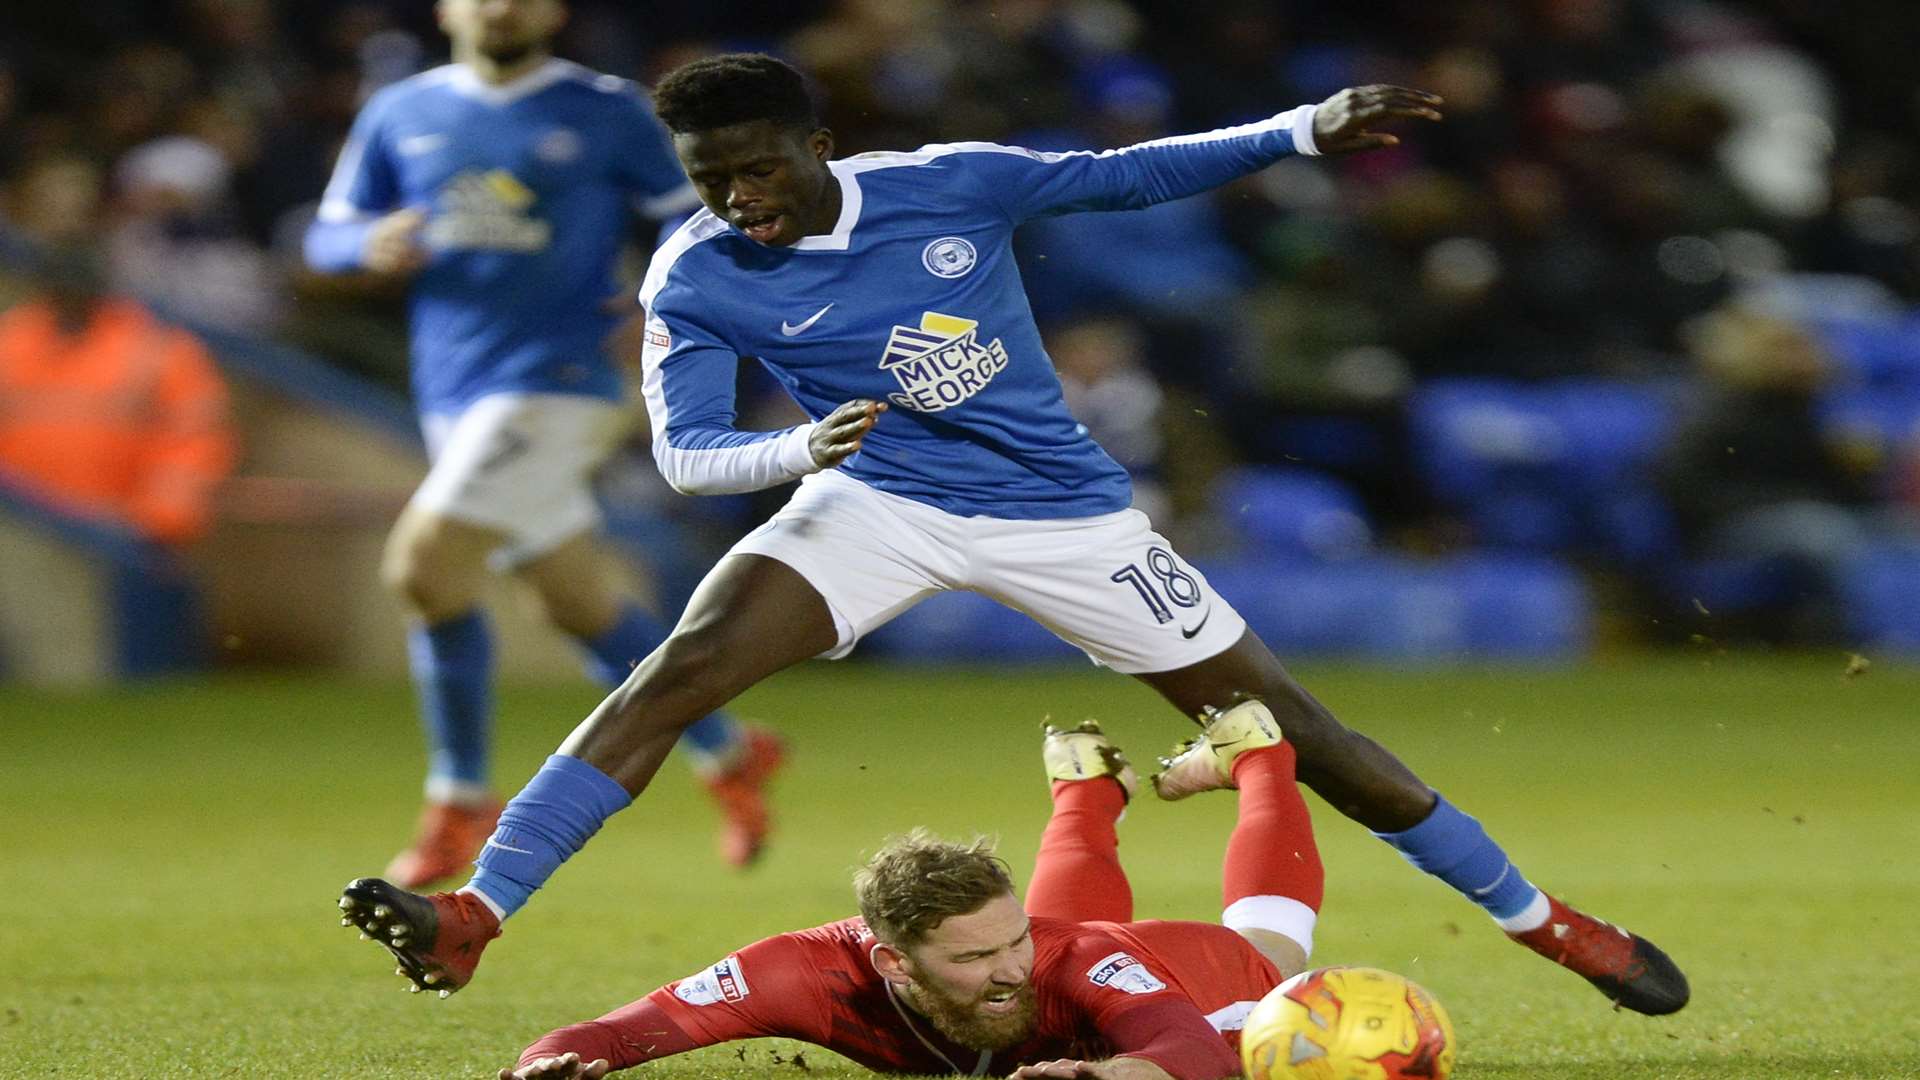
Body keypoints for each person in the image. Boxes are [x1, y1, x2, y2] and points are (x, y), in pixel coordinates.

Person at [338, 53, 1689, 1019]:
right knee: (677, 673)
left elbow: (1120, 177)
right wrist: (794, 452)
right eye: (708, 179)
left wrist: (1297, 131)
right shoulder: (695, 273)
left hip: (1070, 520)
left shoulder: (947, 186)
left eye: (755, 170)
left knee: (1305, 738)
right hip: (875, 501)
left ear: (816, 148)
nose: (736, 200)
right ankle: (475, 916)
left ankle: (1547, 923)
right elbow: (691, 456)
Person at [302, 2, 785, 887]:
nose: (502, 5)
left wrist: (657, 303)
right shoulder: (401, 111)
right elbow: (326, 234)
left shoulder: (607, 110)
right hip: (450, 388)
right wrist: (364, 241)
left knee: (422, 567)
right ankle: (730, 751)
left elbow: (708, 217)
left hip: (561, 383)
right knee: (576, 603)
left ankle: (459, 797)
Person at [497, 715, 1325, 1080]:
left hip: (1190, 969)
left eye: (1011, 940)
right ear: (891, 960)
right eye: (971, 955)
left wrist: (1111, 1078)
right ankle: (1089, 788)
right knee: (1060, 938)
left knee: (1275, 955)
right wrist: (549, 1065)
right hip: (1075, 947)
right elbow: (622, 1030)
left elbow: (1195, 1053)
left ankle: (1259, 757)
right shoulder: (798, 973)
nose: (1011, 972)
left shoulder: (1068, 960)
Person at [0, 239, 234, 546]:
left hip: (114, 542)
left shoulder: (158, 353)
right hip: (17, 536)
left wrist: (154, 524)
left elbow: (193, 447)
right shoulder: (9, 343)